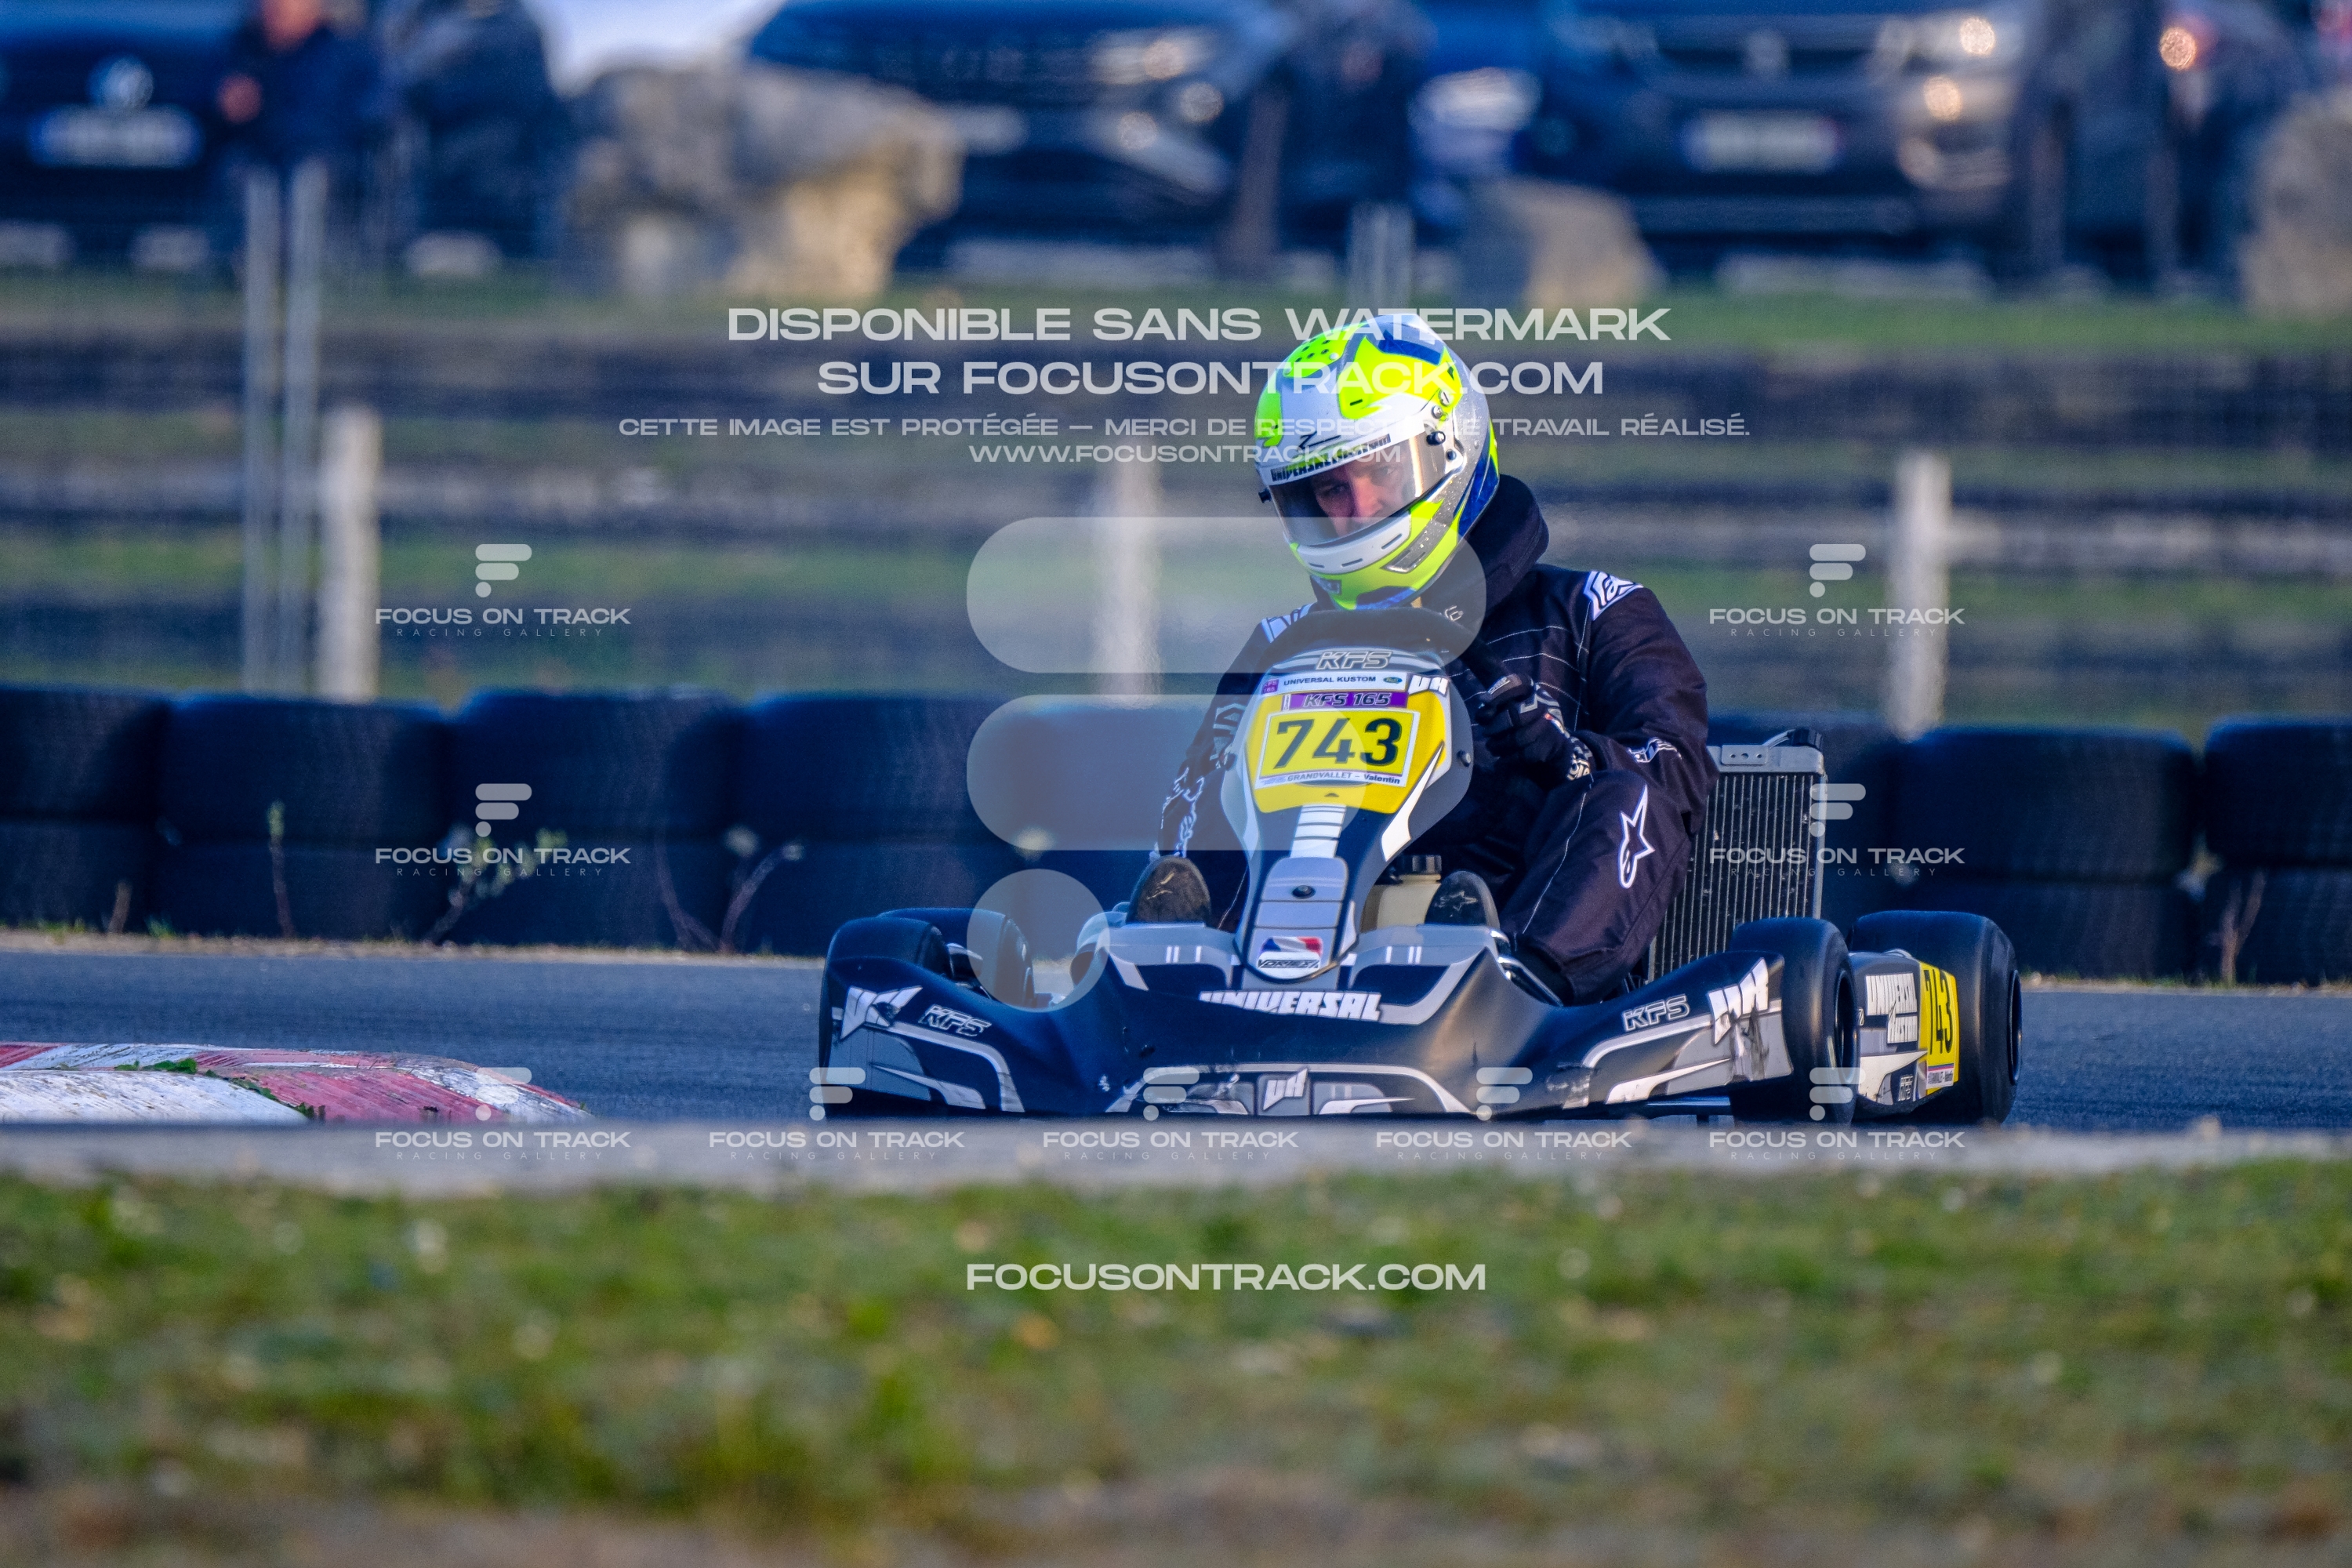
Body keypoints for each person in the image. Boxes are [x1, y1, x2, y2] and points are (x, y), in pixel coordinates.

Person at [1141, 311, 1715, 1004]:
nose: (1355, 510)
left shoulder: (1595, 610)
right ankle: (1175, 979)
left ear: (1451, 448)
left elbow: (1673, 770)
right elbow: (1187, 802)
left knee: (1625, 791)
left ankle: (1519, 984)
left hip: (1512, 925)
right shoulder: (1282, 642)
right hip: (1310, 923)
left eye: (1378, 472)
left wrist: (1563, 755)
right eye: (1328, 489)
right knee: (1218, 783)